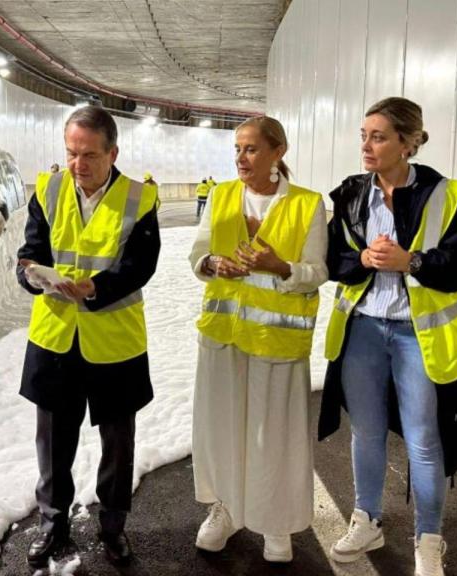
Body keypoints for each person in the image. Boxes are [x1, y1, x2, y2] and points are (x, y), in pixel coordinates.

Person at [318, 97, 457, 576]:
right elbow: (333, 259)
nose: (367, 146)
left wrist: (411, 261)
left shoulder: (445, 195)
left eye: (378, 137)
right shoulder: (351, 195)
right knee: (366, 432)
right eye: (364, 135)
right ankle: (366, 518)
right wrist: (364, 262)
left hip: (418, 336)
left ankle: (429, 538)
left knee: (423, 439)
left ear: (407, 143)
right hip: (363, 329)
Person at [16, 106, 160, 568]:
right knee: (54, 441)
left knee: (118, 443)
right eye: (72, 153)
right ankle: (52, 522)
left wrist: (97, 287)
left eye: (89, 155)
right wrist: (31, 275)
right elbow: (30, 251)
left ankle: (113, 526)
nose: (78, 164)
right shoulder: (50, 189)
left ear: (113, 152)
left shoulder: (140, 199)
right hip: (56, 338)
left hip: (114, 342)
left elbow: (140, 266)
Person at [188, 116, 327, 563]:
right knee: (224, 425)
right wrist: (213, 263)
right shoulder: (222, 196)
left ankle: (276, 522)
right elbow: (197, 255)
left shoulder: (308, 205)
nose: (240, 158)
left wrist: (280, 267)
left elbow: (317, 273)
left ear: (277, 152)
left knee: (275, 436)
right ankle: (225, 509)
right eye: (237, 149)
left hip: (277, 341)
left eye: (250, 149)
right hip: (224, 336)